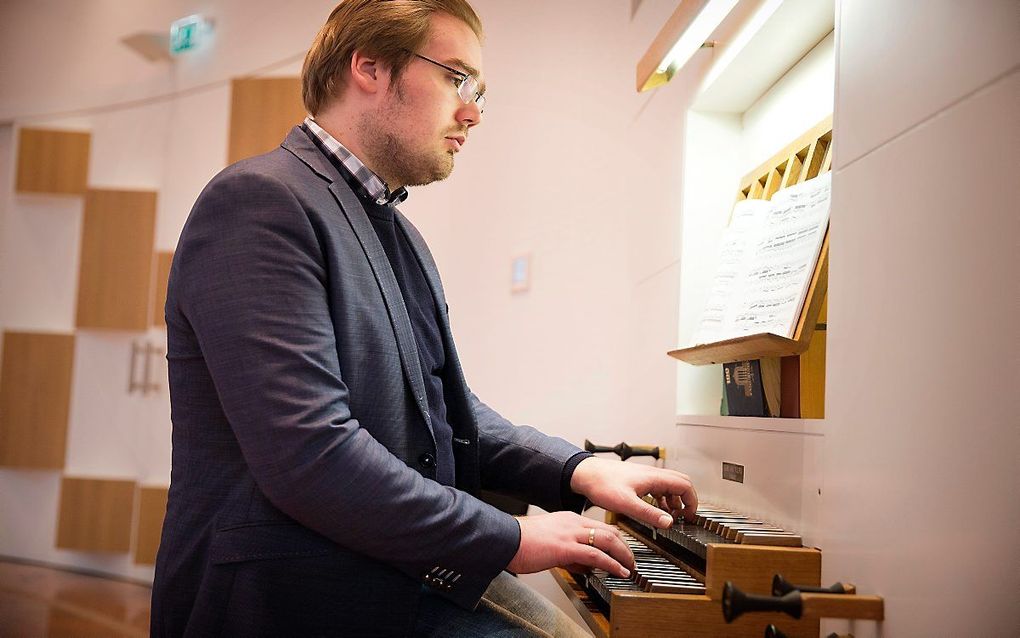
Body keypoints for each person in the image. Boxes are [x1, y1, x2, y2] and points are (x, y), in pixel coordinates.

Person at [151, 1, 698, 636]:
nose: (473, 111)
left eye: (481, 92)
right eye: (457, 78)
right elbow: (310, 455)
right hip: (290, 595)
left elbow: (443, 412)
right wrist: (509, 537)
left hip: (390, 568)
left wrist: (575, 470)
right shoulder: (259, 202)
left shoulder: (398, 231)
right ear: (370, 67)